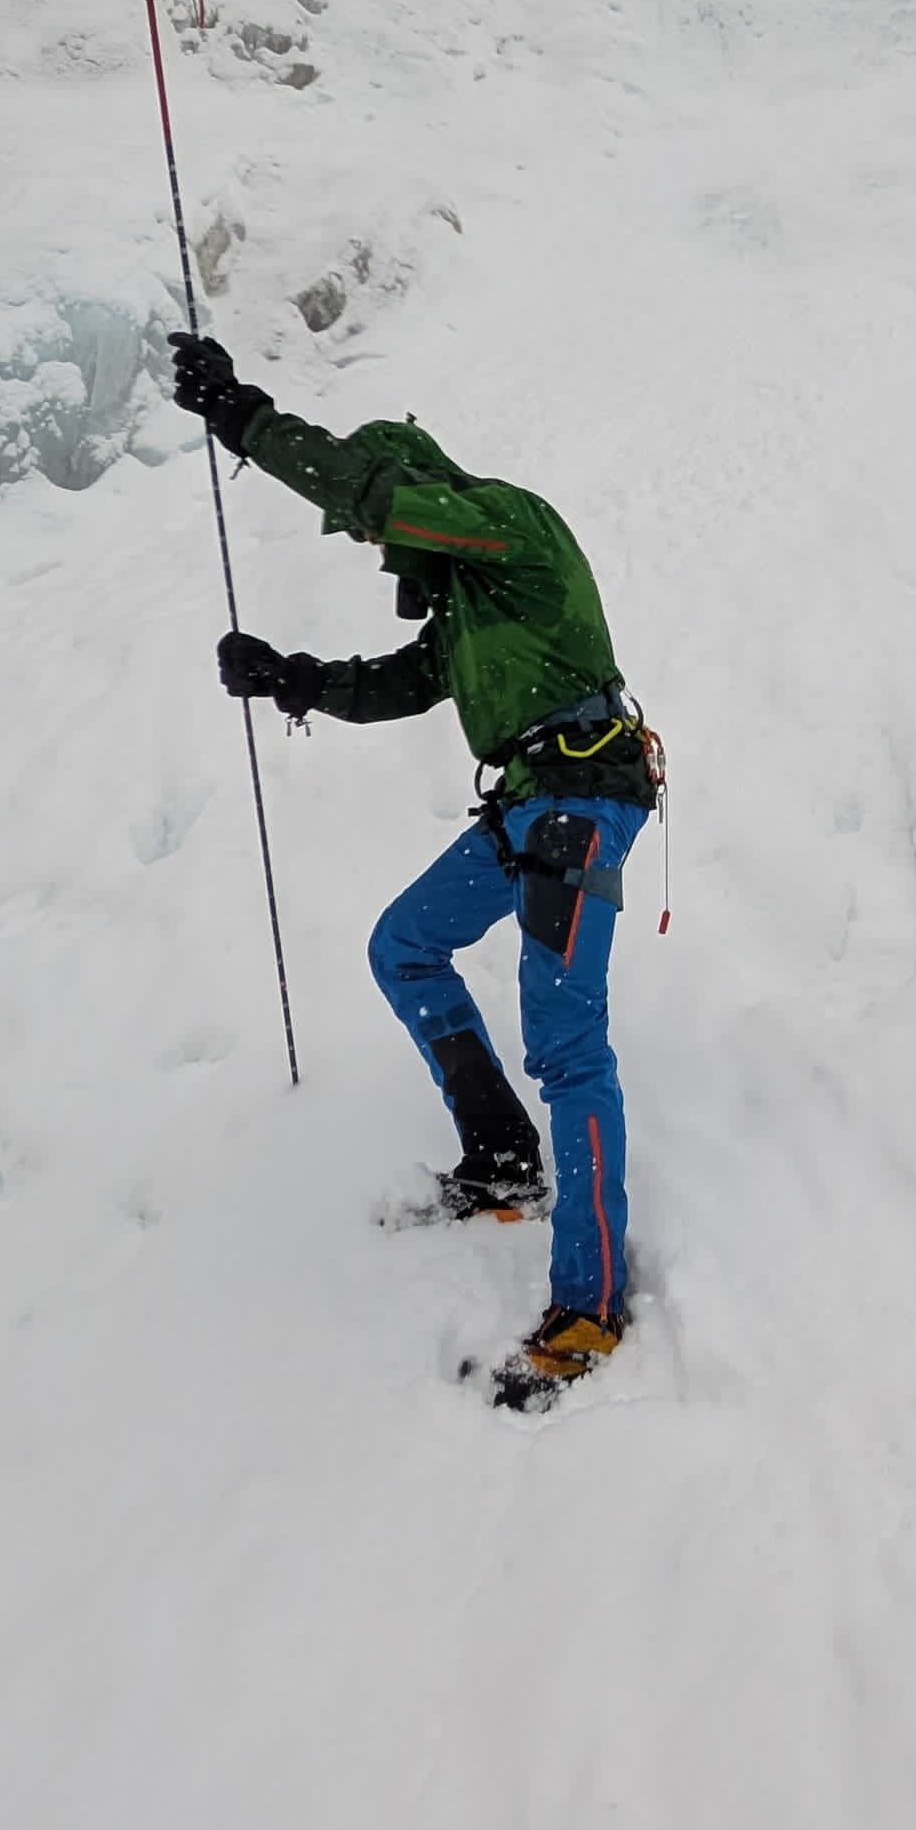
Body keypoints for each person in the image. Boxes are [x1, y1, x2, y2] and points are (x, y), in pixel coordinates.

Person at [167, 331, 657, 1413]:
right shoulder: (468, 608)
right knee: (405, 943)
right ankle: (503, 1160)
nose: (396, 570)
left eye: (392, 544)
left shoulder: (510, 528)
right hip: (531, 802)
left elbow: (375, 498)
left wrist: (245, 419)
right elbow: (397, 682)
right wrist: (293, 678)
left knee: (567, 1041)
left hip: (584, 795)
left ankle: (593, 1305)